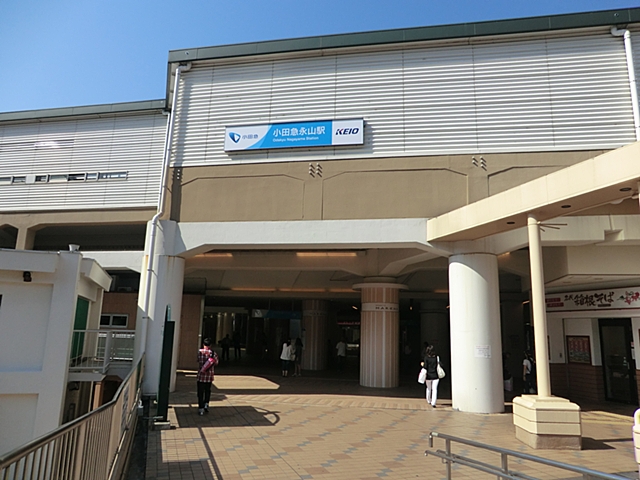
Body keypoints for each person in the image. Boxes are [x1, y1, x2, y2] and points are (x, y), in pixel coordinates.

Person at [197, 338, 218, 416]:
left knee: (200, 392)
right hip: (209, 376)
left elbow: (198, 360)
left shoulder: (200, 352)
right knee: (207, 391)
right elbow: (216, 363)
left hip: (201, 376)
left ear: (203, 344)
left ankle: (201, 407)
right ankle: (206, 404)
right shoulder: (213, 353)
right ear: (211, 345)